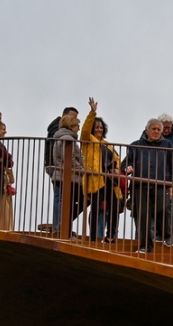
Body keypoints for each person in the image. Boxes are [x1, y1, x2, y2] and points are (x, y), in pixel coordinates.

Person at [125, 118, 173, 252]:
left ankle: (168, 235)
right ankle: (145, 246)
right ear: (147, 130)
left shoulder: (168, 145)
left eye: (158, 130)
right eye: (153, 129)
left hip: (161, 184)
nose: (156, 131)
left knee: (164, 208)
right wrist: (127, 167)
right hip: (140, 185)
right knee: (143, 216)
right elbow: (126, 162)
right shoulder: (136, 145)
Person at [80, 98, 125, 242]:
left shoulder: (107, 145)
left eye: (101, 127)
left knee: (114, 207)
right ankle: (93, 238)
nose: (99, 129)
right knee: (95, 208)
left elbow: (116, 159)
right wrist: (92, 113)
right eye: (96, 127)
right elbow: (84, 130)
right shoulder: (87, 141)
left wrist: (117, 169)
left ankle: (110, 236)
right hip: (96, 179)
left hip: (110, 180)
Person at [40, 106, 79, 231]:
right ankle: (59, 226)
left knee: (63, 197)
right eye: (72, 117)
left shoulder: (62, 133)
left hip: (57, 166)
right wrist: (80, 167)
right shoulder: (60, 131)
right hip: (58, 167)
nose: (74, 120)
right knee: (60, 196)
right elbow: (63, 153)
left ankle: (62, 225)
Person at [49, 113, 86, 235]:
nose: (78, 128)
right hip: (67, 176)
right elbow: (69, 157)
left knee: (62, 201)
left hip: (60, 175)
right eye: (77, 126)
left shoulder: (60, 137)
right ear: (71, 126)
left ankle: (62, 227)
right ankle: (62, 227)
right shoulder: (68, 139)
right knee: (72, 200)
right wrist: (81, 168)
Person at [0, 121, 17, 232]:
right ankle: (2, 227)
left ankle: (3, 226)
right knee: (1, 205)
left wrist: (4, 159)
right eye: (3, 129)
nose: (5, 132)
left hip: (2, 179)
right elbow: (7, 157)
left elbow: (10, 162)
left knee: (4, 206)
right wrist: (6, 158)